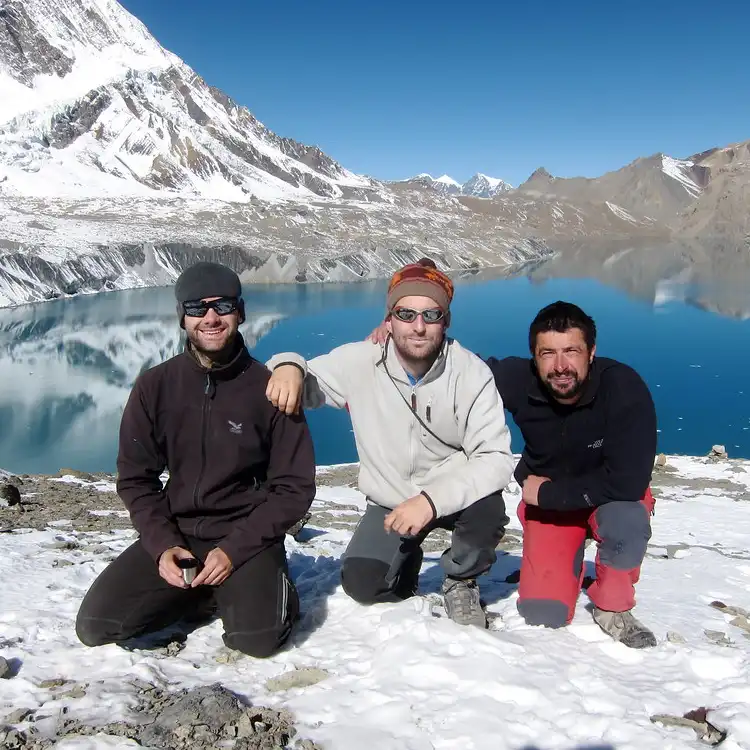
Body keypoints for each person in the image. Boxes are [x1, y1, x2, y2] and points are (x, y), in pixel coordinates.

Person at [75, 261, 316, 657]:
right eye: (196, 308)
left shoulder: (268, 388)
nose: (210, 318)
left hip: (248, 537)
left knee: (257, 641)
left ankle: (263, 586)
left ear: (240, 312)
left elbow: (294, 488)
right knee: (97, 626)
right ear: (181, 318)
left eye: (222, 306)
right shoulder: (155, 386)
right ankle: (203, 593)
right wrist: (162, 545)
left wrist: (235, 549)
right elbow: (137, 478)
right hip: (180, 534)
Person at [266, 259, 514, 629]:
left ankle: (461, 580)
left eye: (431, 314)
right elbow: (308, 381)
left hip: (453, 494)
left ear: (445, 321)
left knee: (487, 510)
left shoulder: (471, 373)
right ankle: (405, 563)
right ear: (389, 319)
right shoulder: (361, 361)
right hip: (391, 500)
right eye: (406, 313)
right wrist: (287, 365)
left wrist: (430, 502)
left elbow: (494, 457)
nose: (418, 326)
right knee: (364, 585)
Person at [486, 301, 658, 648]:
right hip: (551, 508)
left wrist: (549, 495)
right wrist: (393, 338)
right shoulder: (518, 380)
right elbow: (457, 370)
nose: (560, 366)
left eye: (572, 351)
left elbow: (628, 482)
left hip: (605, 499)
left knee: (627, 521)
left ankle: (612, 606)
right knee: (542, 613)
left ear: (591, 352)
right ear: (534, 357)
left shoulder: (622, 387)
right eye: (547, 353)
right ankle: (567, 558)